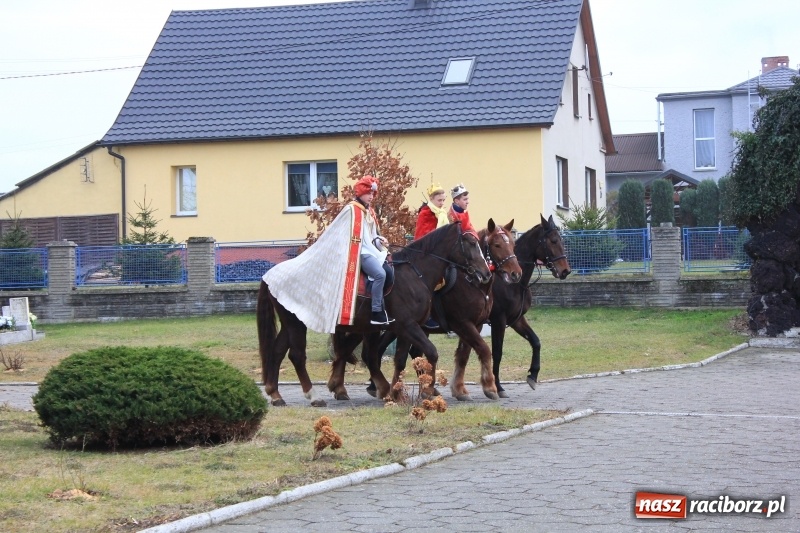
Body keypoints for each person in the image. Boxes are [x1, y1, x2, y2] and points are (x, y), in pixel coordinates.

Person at [263, 175, 394, 333]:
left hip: (371, 251)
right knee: (379, 274)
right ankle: (376, 312)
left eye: (373, 194)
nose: (371, 197)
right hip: (359, 253)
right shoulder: (351, 210)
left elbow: (372, 237)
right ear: (360, 193)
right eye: (369, 193)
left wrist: (381, 241)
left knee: (390, 270)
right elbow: (344, 236)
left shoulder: (369, 212)